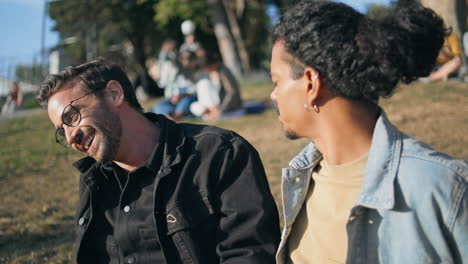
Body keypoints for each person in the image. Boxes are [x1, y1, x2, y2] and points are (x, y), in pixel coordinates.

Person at [269, 1, 468, 263]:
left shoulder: (441, 187)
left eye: (276, 81)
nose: (273, 95)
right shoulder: (301, 181)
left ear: (310, 84)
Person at [36, 59, 280, 263]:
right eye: (61, 131)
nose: (70, 137)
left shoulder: (220, 154)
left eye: (72, 116)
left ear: (114, 94)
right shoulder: (94, 182)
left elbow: (249, 254)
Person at [191, 55, 243, 122]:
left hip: (228, 105)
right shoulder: (213, 72)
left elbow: (232, 92)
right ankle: (211, 111)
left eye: (206, 68)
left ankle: (212, 112)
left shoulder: (223, 72)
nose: (206, 71)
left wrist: (221, 109)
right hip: (216, 104)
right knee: (194, 106)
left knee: (204, 83)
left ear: (212, 65)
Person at [152, 51, 199, 121]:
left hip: (189, 96)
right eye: (183, 59)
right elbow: (173, 87)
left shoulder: (198, 73)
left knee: (186, 100)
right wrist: (174, 96)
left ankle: (177, 116)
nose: (184, 61)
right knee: (159, 105)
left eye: (187, 59)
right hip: (176, 97)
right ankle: (170, 116)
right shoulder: (180, 73)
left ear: (194, 60)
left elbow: (195, 90)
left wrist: (182, 95)